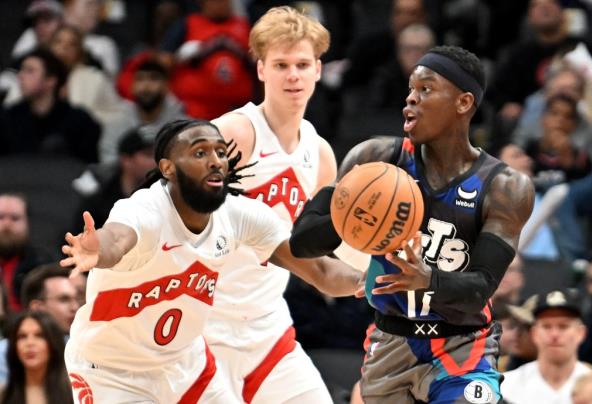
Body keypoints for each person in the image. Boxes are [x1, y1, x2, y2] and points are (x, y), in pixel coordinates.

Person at [290, 45, 535, 403]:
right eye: (410, 90)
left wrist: (428, 280)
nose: (411, 100)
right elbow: (303, 242)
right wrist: (357, 219)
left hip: (462, 345)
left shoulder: (504, 186)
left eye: (426, 89)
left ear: (463, 103)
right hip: (390, 342)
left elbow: (482, 286)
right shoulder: (375, 159)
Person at [59, 119, 362, 402]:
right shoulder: (146, 210)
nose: (216, 160)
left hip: (185, 365)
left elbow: (320, 270)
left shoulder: (239, 215)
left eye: (220, 151)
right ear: (168, 168)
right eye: (199, 152)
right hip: (111, 372)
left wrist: (371, 280)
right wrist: (98, 252)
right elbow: (117, 238)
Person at [210, 6, 364, 402]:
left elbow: (326, 257)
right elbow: (175, 220)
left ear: (318, 69)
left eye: (301, 64)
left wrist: (376, 273)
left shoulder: (321, 155)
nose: (293, 75)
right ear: (261, 69)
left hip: (267, 323)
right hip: (205, 325)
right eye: (281, 64)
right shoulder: (235, 134)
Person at [502, 288, 592, 404]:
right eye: (546, 326)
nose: (554, 334)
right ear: (534, 333)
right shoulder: (507, 386)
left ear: (581, 333)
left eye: (563, 326)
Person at [0, 310, 72, 404]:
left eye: (39, 335)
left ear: (54, 342)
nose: (30, 343)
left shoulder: (76, 393)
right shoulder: (3, 395)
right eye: (22, 336)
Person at [0, 192, 52, 312]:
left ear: (27, 222)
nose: (7, 225)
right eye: (1, 217)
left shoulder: (43, 264)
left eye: (15, 218)